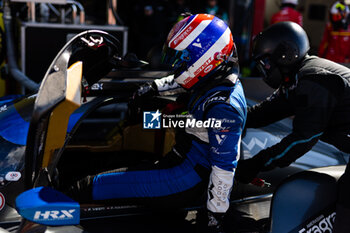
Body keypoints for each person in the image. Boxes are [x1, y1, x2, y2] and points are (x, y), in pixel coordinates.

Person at [68, 14, 246, 232]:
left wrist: (215, 216)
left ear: (206, 57)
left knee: (86, 187)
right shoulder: (213, 76)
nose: (177, 64)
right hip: (181, 159)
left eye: (183, 58)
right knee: (105, 162)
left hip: (183, 178)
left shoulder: (223, 106)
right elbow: (182, 89)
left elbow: (224, 167)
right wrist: (151, 88)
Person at [235, 22, 350, 232]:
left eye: (266, 63)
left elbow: (303, 139)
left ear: (285, 54)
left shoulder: (315, 79)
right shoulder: (298, 78)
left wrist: (254, 164)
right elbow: (264, 112)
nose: (264, 70)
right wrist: (231, 117)